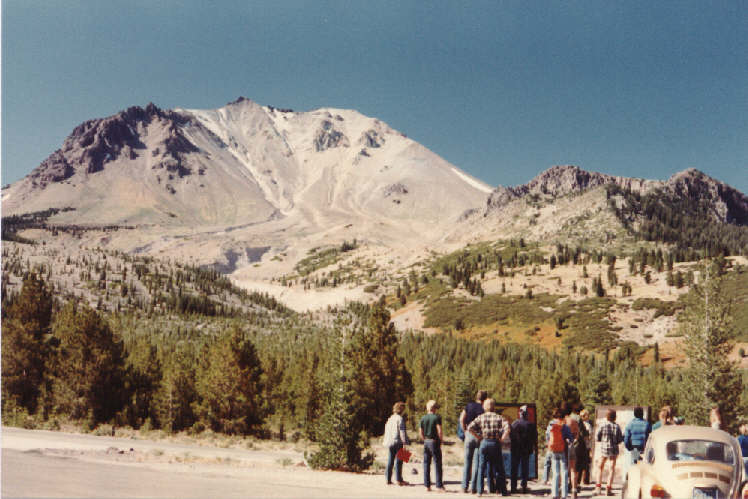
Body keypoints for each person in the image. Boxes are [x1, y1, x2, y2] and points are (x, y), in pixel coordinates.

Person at [468, 398, 510, 496]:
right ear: (493, 407)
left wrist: (479, 437)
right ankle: (502, 491)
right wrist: (502, 439)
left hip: (484, 442)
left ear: (484, 407)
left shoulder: (481, 417)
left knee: (481, 467)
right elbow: (507, 428)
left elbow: (470, 428)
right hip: (495, 442)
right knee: (499, 468)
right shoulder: (498, 417)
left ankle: (480, 491)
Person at [460, 390, 488, 493]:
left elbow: (461, 419)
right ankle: (474, 487)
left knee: (467, 462)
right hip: (479, 436)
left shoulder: (469, 405)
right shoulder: (484, 409)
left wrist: (465, 431)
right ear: (485, 399)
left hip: (469, 434)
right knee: (477, 462)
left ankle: (464, 486)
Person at [595, 409, 623, 497]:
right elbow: (619, 439)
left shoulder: (602, 425)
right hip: (614, 449)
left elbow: (597, 437)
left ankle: (598, 488)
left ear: (607, 416)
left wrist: (603, 440)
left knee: (600, 467)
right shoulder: (617, 426)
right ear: (615, 417)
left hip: (604, 448)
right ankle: (608, 488)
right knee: (612, 468)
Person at [547, 407, 573, 499]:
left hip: (553, 451)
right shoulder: (565, 427)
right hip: (563, 451)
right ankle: (564, 495)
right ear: (563, 416)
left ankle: (555, 494)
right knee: (564, 472)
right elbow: (571, 439)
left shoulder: (550, 425)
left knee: (555, 472)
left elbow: (547, 438)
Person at [510, 405, 537, 494]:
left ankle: (513, 487)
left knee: (514, 468)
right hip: (526, 449)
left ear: (520, 414)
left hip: (516, 449)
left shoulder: (515, 424)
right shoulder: (531, 425)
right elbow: (535, 438)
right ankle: (524, 487)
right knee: (525, 468)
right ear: (527, 415)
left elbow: (510, 435)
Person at [419, 400, 445, 492]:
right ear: (434, 408)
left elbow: (420, 432)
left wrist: (424, 440)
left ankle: (427, 485)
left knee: (426, 464)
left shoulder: (423, 418)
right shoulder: (436, 417)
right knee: (437, 463)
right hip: (434, 441)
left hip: (426, 441)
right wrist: (441, 441)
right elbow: (439, 431)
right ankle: (439, 486)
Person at [382, 401, 410, 486]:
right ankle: (399, 480)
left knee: (390, 460)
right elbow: (402, 432)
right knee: (399, 461)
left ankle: (388, 479)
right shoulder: (400, 419)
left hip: (390, 442)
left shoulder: (390, 418)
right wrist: (405, 442)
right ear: (400, 409)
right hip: (398, 442)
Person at [623, 407, 651, 475]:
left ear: (634, 414)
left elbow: (626, 437)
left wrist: (628, 446)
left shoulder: (630, 424)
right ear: (642, 414)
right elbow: (651, 435)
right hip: (644, 447)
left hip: (635, 447)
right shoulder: (647, 424)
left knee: (634, 463)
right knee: (644, 463)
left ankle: (634, 479)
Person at [578, 409, 593, 486]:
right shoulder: (587, 424)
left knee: (583, 463)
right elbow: (589, 436)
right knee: (586, 463)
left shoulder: (581, 424)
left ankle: (581, 480)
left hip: (582, 446)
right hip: (586, 446)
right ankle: (585, 480)